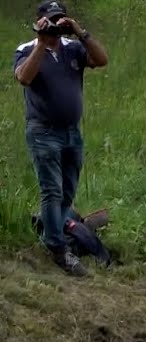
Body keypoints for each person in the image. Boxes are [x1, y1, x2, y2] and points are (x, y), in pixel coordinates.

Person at [12, 1, 108, 278]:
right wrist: (42, 43)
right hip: (43, 130)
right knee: (51, 189)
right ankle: (57, 247)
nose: (55, 26)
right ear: (39, 21)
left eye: (59, 20)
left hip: (71, 131)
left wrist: (80, 32)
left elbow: (101, 60)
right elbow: (24, 78)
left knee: (67, 189)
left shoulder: (74, 48)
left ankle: (52, 228)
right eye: (49, 20)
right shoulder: (27, 49)